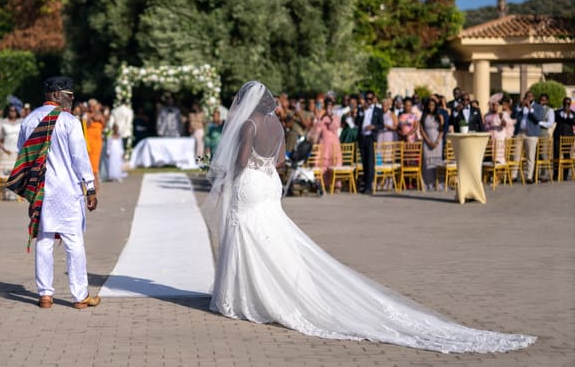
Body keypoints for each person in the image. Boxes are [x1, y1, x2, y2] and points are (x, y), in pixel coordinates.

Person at [202, 80, 535, 353]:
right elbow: (278, 162)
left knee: (247, 233)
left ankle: (248, 297)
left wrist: (223, 174)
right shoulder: (275, 123)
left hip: (249, 185)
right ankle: (275, 289)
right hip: (270, 185)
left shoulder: (248, 124)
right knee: (272, 235)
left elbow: (242, 160)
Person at [11, 76, 100, 310]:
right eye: (69, 95)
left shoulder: (29, 120)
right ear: (56, 95)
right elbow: (80, 157)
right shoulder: (69, 122)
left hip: (41, 190)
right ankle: (80, 296)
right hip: (67, 189)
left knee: (44, 240)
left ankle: (45, 295)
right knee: (73, 241)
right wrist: (90, 187)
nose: (72, 100)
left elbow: (23, 154)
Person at [511, 91, 544, 183]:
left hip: (532, 134)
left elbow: (538, 119)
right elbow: (513, 116)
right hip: (519, 133)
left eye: (530, 96)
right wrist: (520, 107)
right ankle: (513, 176)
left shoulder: (538, 107)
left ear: (533, 97)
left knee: (530, 156)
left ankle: (529, 176)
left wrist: (530, 108)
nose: (528, 98)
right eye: (526, 96)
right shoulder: (520, 106)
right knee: (516, 155)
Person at [355, 91, 383, 194]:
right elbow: (357, 122)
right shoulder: (361, 109)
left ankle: (369, 186)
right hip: (362, 137)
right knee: (364, 162)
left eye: (371, 99)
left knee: (370, 162)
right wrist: (361, 111)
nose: (369, 101)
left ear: (374, 99)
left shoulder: (378, 110)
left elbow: (382, 125)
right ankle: (365, 184)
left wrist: (373, 127)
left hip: (371, 137)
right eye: (367, 99)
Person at [419, 98, 444, 190]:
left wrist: (437, 141)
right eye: (429, 105)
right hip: (427, 141)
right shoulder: (424, 116)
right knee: (427, 161)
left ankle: (437, 183)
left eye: (433, 105)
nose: (431, 107)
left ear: (436, 106)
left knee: (436, 161)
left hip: (437, 141)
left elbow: (441, 130)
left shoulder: (440, 116)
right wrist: (428, 141)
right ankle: (428, 182)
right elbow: (421, 130)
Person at [317, 97, 342, 190]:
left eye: (331, 106)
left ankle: (336, 185)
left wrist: (331, 117)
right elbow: (318, 129)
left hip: (334, 143)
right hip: (324, 143)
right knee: (324, 163)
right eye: (328, 106)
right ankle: (325, 184)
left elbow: (334, 128)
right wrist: (321, 118)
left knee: (335, 162)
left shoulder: (336, 117)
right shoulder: (322, 117)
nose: (329, 108)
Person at [553, 97, 574, 181]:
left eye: (568, 104)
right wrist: (563, 113)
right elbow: (554, 120)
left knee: (567, 155)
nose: (567, 105)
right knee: (556, 154)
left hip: (568, 136)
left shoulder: (573, 113)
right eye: (565, 103)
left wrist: (569, 115)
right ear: (563, 103)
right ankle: (556, 174)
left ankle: (565, 175)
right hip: (558, 135)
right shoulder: (557, 112)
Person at [85, 99, 105, 178]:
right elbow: (85, 125)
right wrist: (92, 118)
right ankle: (92, 179)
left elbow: (104, 125)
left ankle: (96, 179)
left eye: (94, 106)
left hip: (97, 141)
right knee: (90, 162)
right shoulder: (86, 114)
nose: (92, 108)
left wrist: (101, 119)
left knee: (96, 162)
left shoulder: (100, 114)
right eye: (91, 106)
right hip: (89, 140)